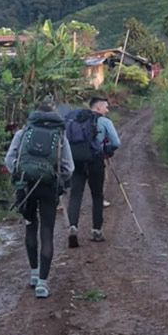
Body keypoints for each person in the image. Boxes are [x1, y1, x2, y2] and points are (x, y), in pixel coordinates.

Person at [5, 102, 74, 298]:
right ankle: (42, 284)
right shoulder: (59, 136)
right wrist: (56, 179)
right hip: (49, 190)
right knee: (47, 232)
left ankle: (33, 274)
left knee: (30, 226)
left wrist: (21, 176)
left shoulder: (23, 132)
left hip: (25, 187)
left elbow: (9, 160)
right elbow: (69, 168)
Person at [66, 96, 120, 247]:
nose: (107, 110)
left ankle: (72, 227)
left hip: (76, 160)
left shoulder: (76, 119)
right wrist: (106, 150)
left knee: (75, 194)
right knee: (97, 196)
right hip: (95, 161)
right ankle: (96, 231)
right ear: (97, 107)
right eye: (105, 107)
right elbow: (116, 142)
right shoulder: (104, 121)